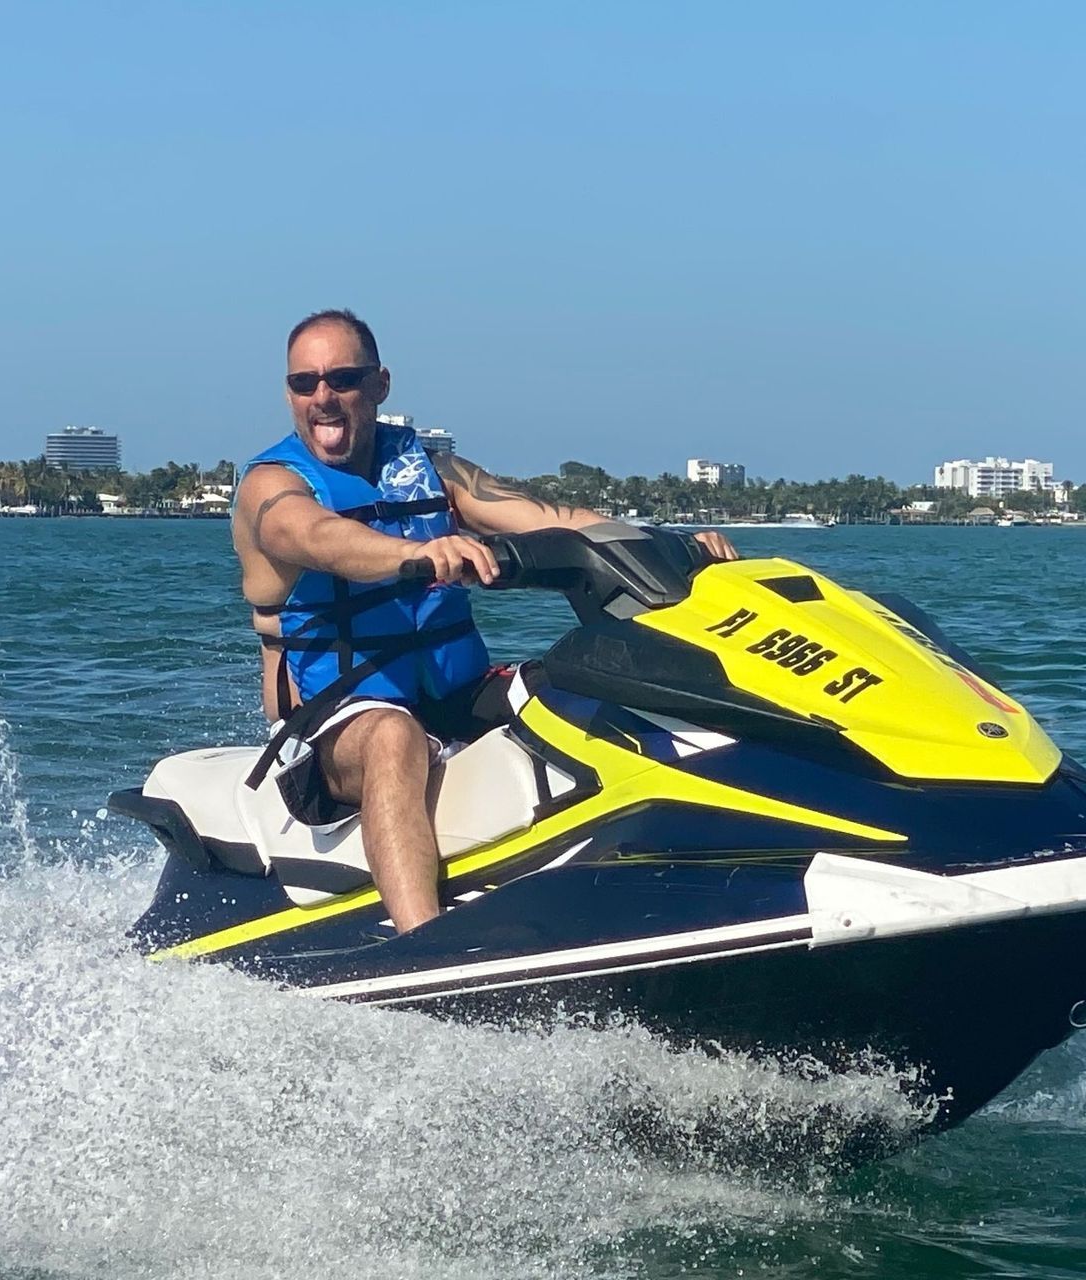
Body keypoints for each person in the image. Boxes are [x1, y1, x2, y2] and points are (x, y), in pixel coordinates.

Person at [233, 309, 737, 933]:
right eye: (304, 383)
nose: (323, 397)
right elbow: (320, 539)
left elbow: (547, 517)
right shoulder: (271, 487)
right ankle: (424, 944)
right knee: (394, 737)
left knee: (586, 683)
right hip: (333, 717)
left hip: (456, 694)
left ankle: (677, 867)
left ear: (381, 385)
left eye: (342, 378)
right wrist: (414, 555)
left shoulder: (434, 471)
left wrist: (671, 546)